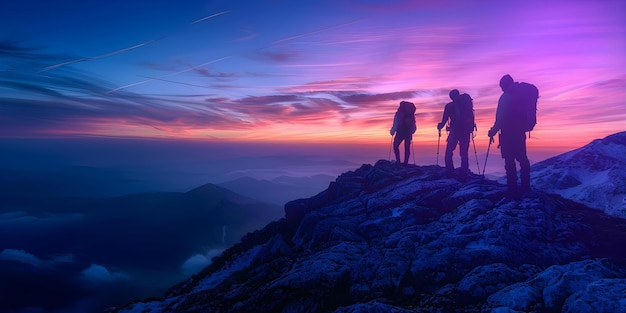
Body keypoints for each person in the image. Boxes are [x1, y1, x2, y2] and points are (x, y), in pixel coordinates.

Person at [488, 74, 531, 198]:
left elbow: (500, 118)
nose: (501, 88)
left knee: (509, 160)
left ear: (504, 85)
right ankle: (525, 186)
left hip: (507, 133)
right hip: (520, 132)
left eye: (501, 86)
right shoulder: (522, 97)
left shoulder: (506, 97)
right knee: (522, 159)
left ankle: (512, 188)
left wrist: (493, 131)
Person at [437, 90, 474, 180]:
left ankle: (450, 172)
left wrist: (440, 126)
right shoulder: (466, 105)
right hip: (465, 131)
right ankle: (463, 174)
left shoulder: (449, 106)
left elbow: (444, 120)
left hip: (454, 131)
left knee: (449, 151)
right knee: (464, 153)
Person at [390, 101, 416, 165]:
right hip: (408, 132)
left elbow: (396, 123)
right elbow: (414, 124)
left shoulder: (399, 113)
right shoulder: (411, 114)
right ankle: (405, 163)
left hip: (400, 132)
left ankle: (398, 161)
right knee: (407, 148)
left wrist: (392, 131)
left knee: (396, 146)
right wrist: (412, 131)